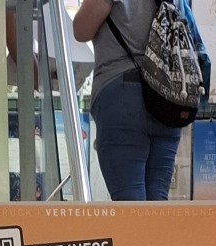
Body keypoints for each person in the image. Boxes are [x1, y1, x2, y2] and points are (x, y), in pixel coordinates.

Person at [73, 0, 198, 200]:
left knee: (129, 203)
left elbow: (81, 30)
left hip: (123, 96)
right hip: (167, 99)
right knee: (157, 200)